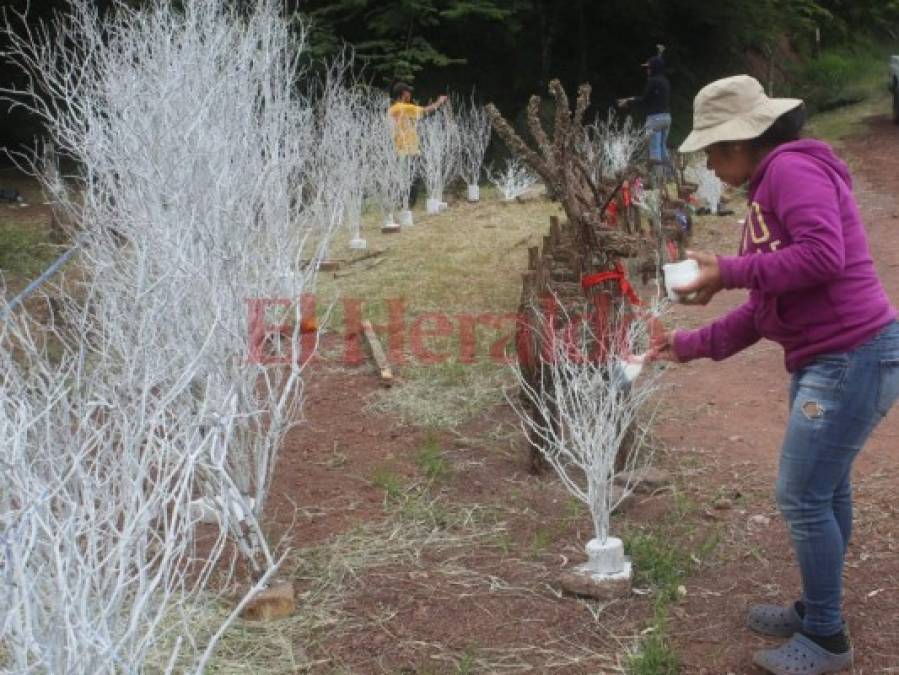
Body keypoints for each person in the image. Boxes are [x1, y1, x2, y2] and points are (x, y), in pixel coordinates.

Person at [649, 74, 899, 674]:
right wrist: (687, 346)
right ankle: (819, 610)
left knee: (802, 495)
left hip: (851, 356)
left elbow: (823, 255)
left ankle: (827, 640)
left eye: (712, 149)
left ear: (741, 141)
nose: (708, 161)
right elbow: (765, 308)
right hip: (834, 358)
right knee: (823, 489)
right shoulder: (768, 189)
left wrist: (729, 270)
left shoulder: (790, 171)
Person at [387, 82, 447, 208]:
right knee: (413, 179)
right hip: (408, 150)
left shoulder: (392, 109)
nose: (410, 94)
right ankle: (407, 206)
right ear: (404, 94)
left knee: (404, 179)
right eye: (409, 92)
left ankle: (403, 204)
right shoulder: (403, 107)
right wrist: (439, 101)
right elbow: (426, 110)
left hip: (398, 150)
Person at [617, 48, 672, 185]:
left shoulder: (653, 81)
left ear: (653, 68)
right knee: (662, 148)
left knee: (654, 150)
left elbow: (644, 100)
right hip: (667, 118)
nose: (647, 71)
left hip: (655, 119)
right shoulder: (665, 81)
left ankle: (656, 181)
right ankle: (669, 177)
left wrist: (628, 100)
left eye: (649, 68)